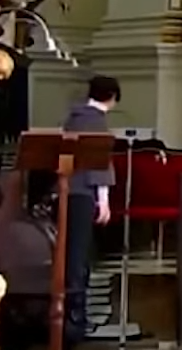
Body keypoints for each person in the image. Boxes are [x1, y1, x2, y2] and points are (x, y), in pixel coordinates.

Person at [60, 76, 119, 342]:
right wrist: (104, 200)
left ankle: (71, 318)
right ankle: (75, 322)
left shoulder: (74, 118)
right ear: (113, 97)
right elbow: (99, 164)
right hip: (82, 194)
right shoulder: (95, 122)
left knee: (72, 256)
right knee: (78, 259)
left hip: (67, 193)